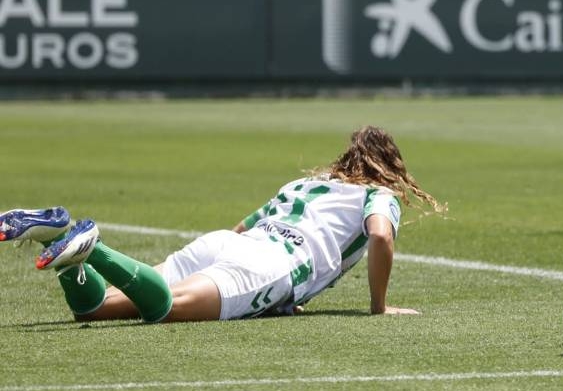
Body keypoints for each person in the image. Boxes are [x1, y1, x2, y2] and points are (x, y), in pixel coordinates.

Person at [0, 126, 443, 322]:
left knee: (93, 309)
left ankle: (61, 236)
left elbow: (240, 227)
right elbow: (380, 234)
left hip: (227, 245)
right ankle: (92, 248)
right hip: (269, 265)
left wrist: (275, 298)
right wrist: (379, 306)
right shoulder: (377, 193)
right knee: (166, 310)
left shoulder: (308, 183)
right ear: (390, 167)